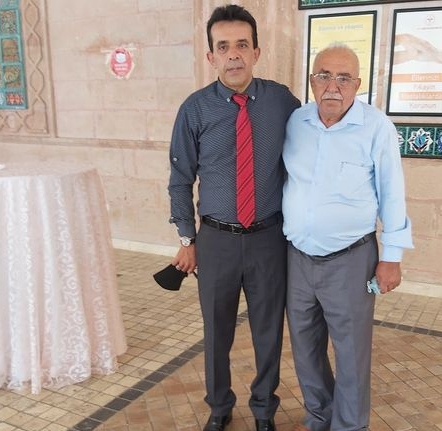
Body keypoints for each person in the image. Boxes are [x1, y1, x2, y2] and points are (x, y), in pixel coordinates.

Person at [167, 4, 301, 431]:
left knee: (268, 332)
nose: (233, 55)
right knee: (216, 333)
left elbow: (308, 154)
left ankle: (264, 410)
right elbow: (179, 179)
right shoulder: (194, 110)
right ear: (211, 56)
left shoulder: (282, 102)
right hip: (216, 241)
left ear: (256, 52)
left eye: (242, 45)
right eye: (223, 47)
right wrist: (187, 239)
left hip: (269, 238)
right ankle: (219, 406)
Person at [282, 43, 414, 431]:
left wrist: (391, 257)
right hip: (297, 258)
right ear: (312, 81)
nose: (333, 87)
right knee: (305, 348)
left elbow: (392, 193)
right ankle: (319, 419)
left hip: (351, 259)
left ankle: (350, 426)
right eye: (324, 76)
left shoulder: (376, 127)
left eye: (343, 78)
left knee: (351, 353)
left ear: (357, 84)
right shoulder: (296, 122)